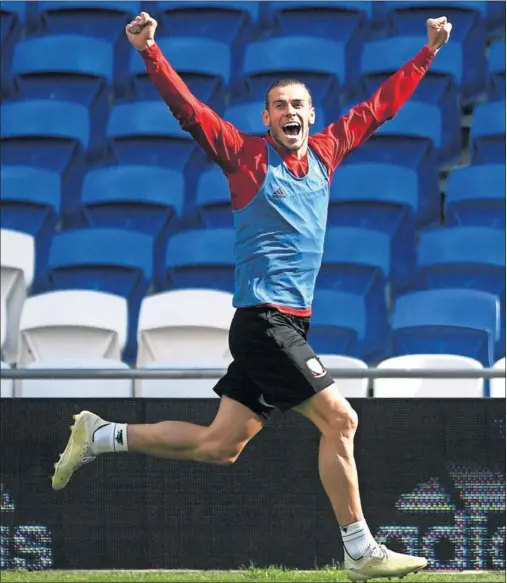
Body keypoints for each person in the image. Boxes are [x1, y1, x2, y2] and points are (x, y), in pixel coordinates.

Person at [53, 12, 452, 581]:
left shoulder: (327, 151)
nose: (290, 113)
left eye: (299, 106)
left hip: (290, 325)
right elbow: (189, 111)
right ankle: (360, 549)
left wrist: (428, 52)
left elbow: (380, 107)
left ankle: (101, 434)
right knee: (341, 420)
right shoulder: (244, 155)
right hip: (264, 323)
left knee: (220, 445)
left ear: (311, 116)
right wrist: (150, 51)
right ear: (266, 118)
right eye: (280, 106)